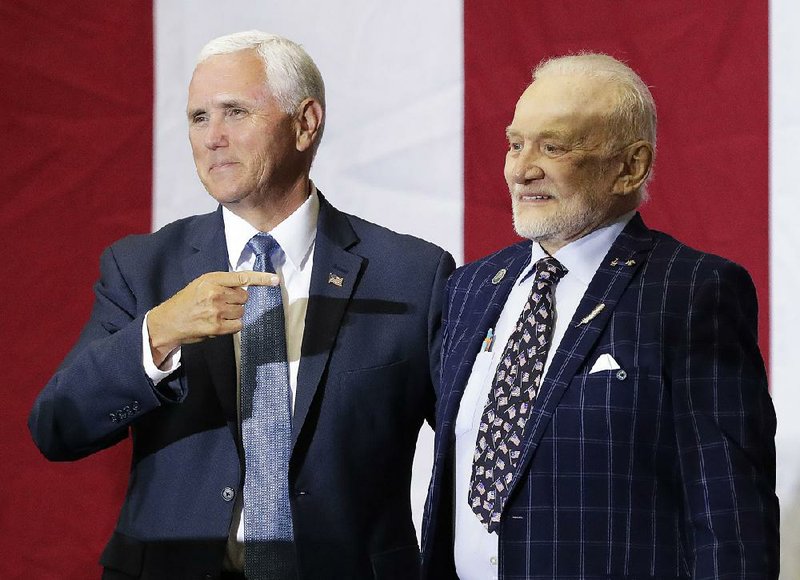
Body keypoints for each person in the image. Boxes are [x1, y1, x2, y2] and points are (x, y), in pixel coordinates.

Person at [29, 30, 455, 580]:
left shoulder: (412, 274)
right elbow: (57, 428)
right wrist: (156, 336)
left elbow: (468, 447)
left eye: (234, 112)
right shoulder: (141, 269)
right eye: (198, 118)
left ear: (305, 123)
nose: (213, 138)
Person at [421, 53, 779, 579]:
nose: (522, 169)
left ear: (630, 166)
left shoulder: (692, 290)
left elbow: (729, 511)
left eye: (554, 146)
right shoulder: (470, 287)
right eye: (516, 144)